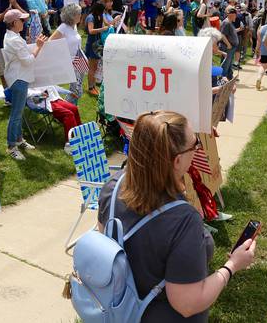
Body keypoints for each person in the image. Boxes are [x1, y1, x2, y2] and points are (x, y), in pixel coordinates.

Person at [97, 111, 256, 321]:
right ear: (178, 160)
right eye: (195, 144)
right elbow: (187, 304)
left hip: (120, 310)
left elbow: (105, 240)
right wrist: (233, 265)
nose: (198, 148)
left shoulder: (114, 186)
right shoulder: (183, 220)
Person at [2, 9, 46, 160]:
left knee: (18, 113)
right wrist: (39, 47)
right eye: (21, 20)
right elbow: (27, 61)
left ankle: (19, 140)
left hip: (18, 79)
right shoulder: (14, 40)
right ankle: (11, 146)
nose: (24, 22)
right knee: (16, 114)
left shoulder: (13, 37)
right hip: (19, 80)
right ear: (14, 23)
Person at [49, 4, 84, 102]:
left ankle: (70, 110)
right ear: (73, 15)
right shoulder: (63, 27)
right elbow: (50, 42)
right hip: (69, 62)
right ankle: (68, 110)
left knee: (78, 90)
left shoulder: (74, 26)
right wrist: (61, 54)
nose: (81, 15)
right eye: (79, 13)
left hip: (78, 61)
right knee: (75, 91)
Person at [84, 2, 109, 95]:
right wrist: (102, 29)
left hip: (98, 43)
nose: (103, 13)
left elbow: (107, 24)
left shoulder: (99, 16)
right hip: (92, 44)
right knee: (92, 67)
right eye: (102, 11)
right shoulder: (91, 17)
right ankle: (90, 87)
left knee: (95, 67)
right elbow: (91, 31)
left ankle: (93, 86)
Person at [220, 6, 240, 80]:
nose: (236, 16)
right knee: (226, 64)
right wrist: (228, 44)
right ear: (232, 15)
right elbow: (222, 34)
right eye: (235, 15)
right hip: (228, 47)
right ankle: (223, 79)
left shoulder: (229, 22)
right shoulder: (226, 22)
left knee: (229, 64)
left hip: (231, 47)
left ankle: (229, 78)